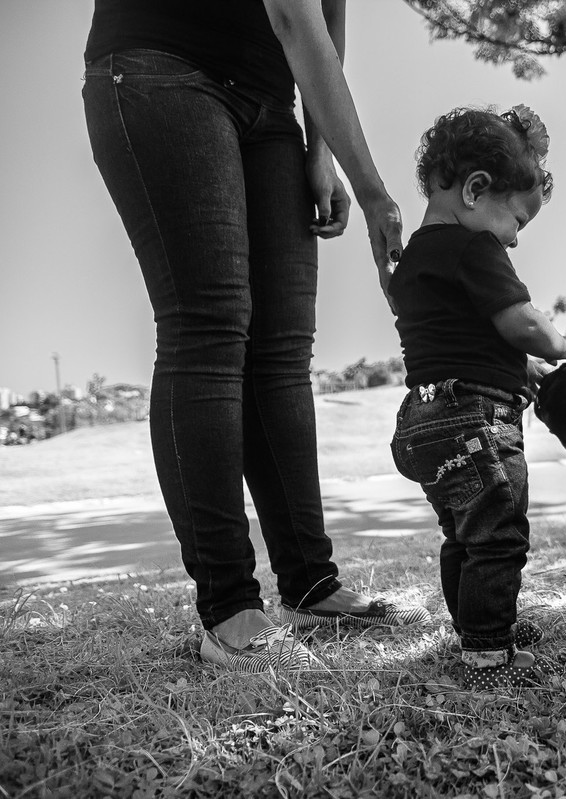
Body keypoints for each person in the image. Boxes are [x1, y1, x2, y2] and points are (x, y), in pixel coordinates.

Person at [82, 0, 429, 673]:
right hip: (159, 66)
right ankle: (228, 603)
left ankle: (309, 584)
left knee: (282, 352)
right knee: (208, 328)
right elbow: (294, 18)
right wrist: (375, 191)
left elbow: (327, 18)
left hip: (268, 102)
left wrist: (319, 152)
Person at [389, 106, 566, 690]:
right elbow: (521, 322)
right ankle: (487, 654)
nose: (512, 238)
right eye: (517, 222)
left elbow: (460, 338)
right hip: (475, 420)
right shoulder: (475, 249)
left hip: (423, 421)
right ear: (478, 189)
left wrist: (517, 367)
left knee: (463, 534)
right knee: (499, 533)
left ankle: (479, 627)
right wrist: (555, 345)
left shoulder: (411, 265)